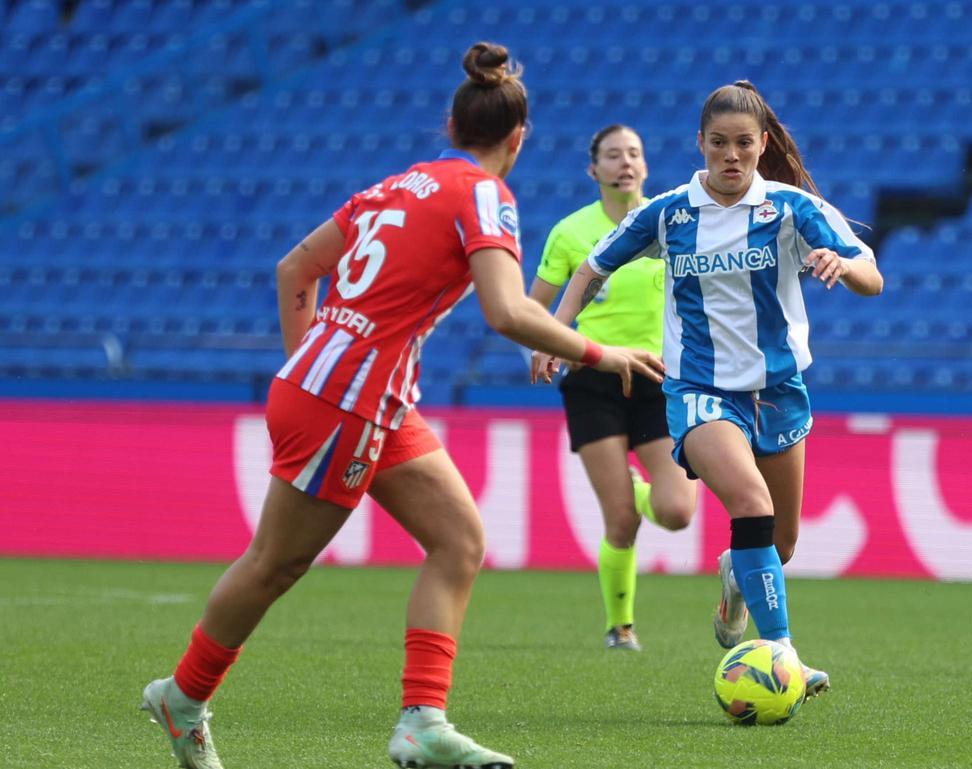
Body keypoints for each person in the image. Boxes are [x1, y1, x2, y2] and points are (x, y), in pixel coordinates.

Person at [139, 42, 663, 769]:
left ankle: (423, 722)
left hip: (357, 391)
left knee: (459, 540)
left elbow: (295, 270)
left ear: (451, 125)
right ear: (518, 138)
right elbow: (507, 311)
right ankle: (184, 695)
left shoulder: (395, 185)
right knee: (274, 565)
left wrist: (310, 363)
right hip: (348, 398)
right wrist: (603, 353)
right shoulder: (485, 194)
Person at [536, 81, 884, 700]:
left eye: (743, 144)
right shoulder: (669, 213)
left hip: (778, 390)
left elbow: (872, 275)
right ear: (700, 142)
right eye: (719, 143)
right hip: (700, 390)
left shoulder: (792, 208)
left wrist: (845, 266)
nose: (731, 155)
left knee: (780, 542)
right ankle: (782, 656)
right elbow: (592, 267)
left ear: (763, 144)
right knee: (751, 504)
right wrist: (557, 334)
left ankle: (735, 576)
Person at [528, 125, 697, 652]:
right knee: (620, 520)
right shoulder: (570, 233)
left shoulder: (670, 223)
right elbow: (534, 308)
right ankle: (620, 627)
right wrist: (549, 342)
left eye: (634, 154)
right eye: (613, 155)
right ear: (593, 169)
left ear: (645, 166)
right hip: (593, 378)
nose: (625, 162)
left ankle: (639, 489)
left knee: (676, 511)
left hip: (658, 379)